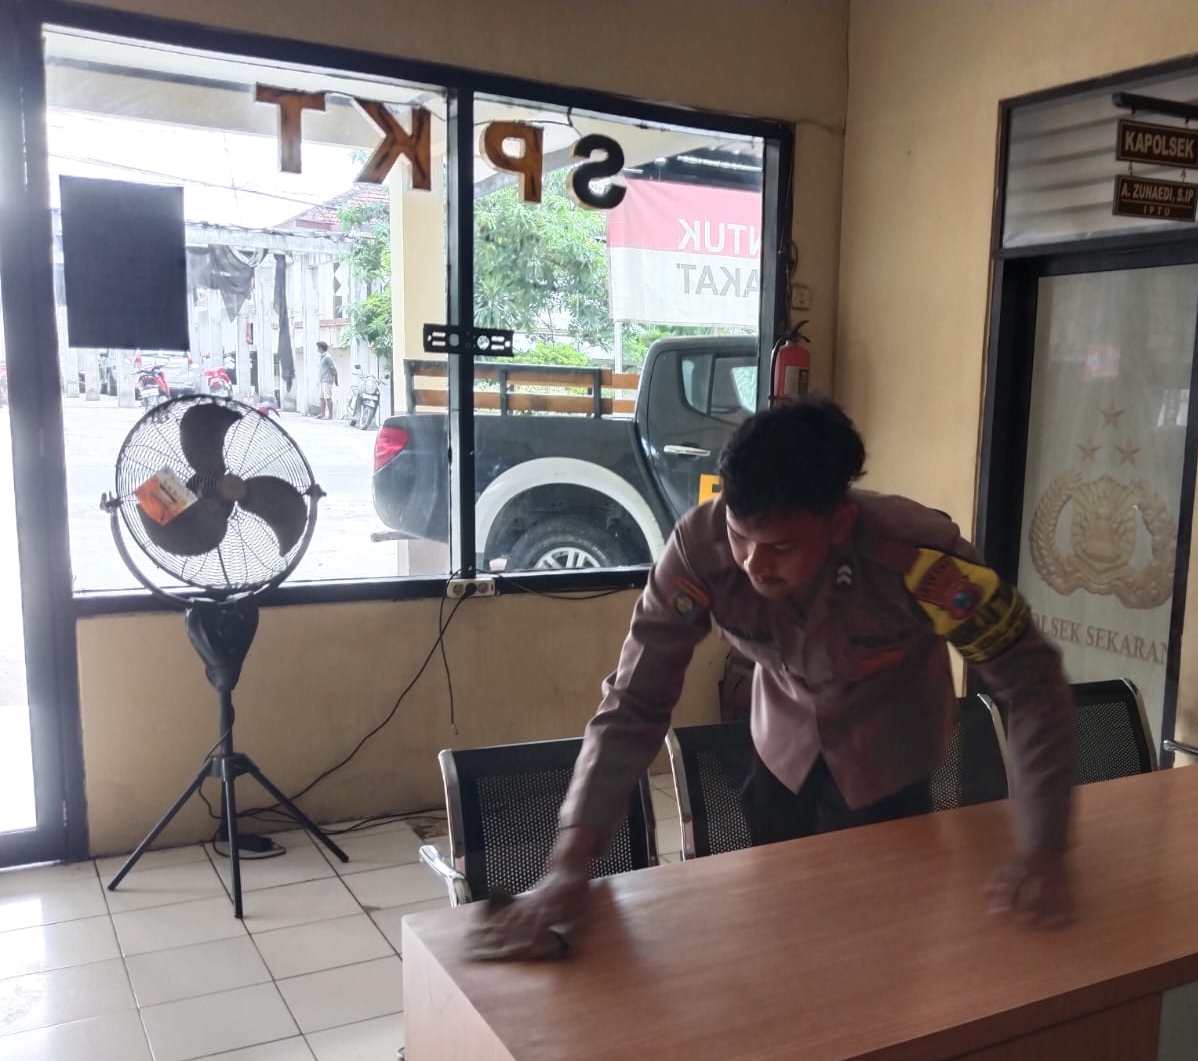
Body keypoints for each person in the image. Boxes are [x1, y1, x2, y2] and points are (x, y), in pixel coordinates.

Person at [474, 400, 1078, 960]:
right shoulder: (699, 549)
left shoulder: (922, 557)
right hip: (780, 753)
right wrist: (569, 863)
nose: (753, 564)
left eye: (781, 546)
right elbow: (634, 701)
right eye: (741, 537)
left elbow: (1031, 683)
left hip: (890, 761)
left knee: (881, 947)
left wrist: (1044, 845)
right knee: (775, 938)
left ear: (839, 522)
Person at [316, 341, 337, 419]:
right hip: (322, 379)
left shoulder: (328, 357)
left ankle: (330, 415)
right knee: (321, 397)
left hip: (327, 379)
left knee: (328, 397)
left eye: (318, 347)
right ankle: (322, 414)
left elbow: (333, 369)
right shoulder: (322, 357)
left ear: (321, 348)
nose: (317, 349)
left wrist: (336, 379)